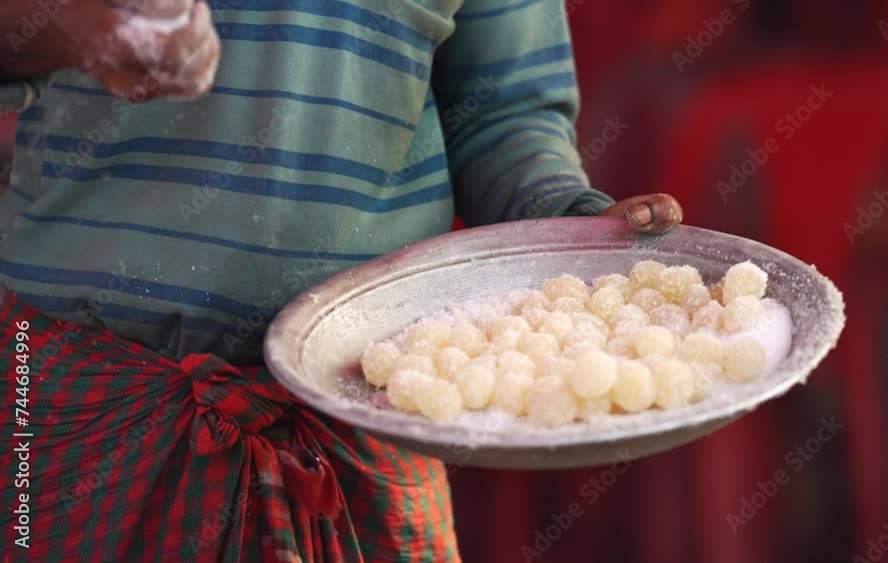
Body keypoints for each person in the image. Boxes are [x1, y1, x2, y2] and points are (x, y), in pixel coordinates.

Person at [0, 0, 682, 560]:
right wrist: (59, 23)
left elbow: (501, 115)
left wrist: (567, 227)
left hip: (369, 404)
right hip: (81, 409)